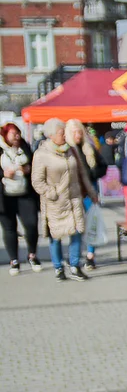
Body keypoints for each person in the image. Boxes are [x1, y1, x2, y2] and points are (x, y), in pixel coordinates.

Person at [31, 118, 96, 282]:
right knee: (56, 235)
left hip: (74, 200)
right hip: (55, 202)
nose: (64, 136)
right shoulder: (42, 154)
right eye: (61, 133)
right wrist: (51, 193)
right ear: (51, 135)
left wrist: (92, 192)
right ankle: (58, 267)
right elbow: (37, 181)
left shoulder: (71, 150)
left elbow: (82, 174)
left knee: (76, 233)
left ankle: (75, 265)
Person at [1, 123, 42, 274]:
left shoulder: (24, 146)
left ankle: (32, 254)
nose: (17, 136)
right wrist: (3, 174)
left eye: (18, 133)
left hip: (25, 194)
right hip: (5, 196)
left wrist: (28, 169)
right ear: (5, 135)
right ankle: (14, 260)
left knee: (31, 224)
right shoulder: (1, 149)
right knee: (9, 228)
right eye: (13, 134)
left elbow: (33, 163)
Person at [66, 120, 108, 270]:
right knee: (76, 225)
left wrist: (92, 174)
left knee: (91, 223)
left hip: (90, 190)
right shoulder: (66, 150)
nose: (78, 135)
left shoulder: (88, 147)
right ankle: (74, 255)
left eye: (79, 132)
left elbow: (103, 166)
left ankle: (90, 255)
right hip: (74, 192)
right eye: (74, 132)